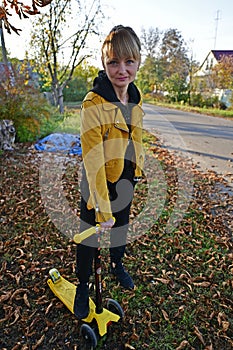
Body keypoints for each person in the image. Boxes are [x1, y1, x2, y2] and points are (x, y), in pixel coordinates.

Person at [74, 25, 144, 320]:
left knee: (121, 227)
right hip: (96, 183)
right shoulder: (94, 102)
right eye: (114, 62)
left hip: (125, 176)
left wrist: (136, 169)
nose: (122, 70)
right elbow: (92, 160)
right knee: (88, 236)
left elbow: (135, 136)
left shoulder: (136, 98)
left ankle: (118, 264)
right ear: (104, 63)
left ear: (138, 62)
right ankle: (82, 285)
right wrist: (103, 208)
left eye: (129, 61)